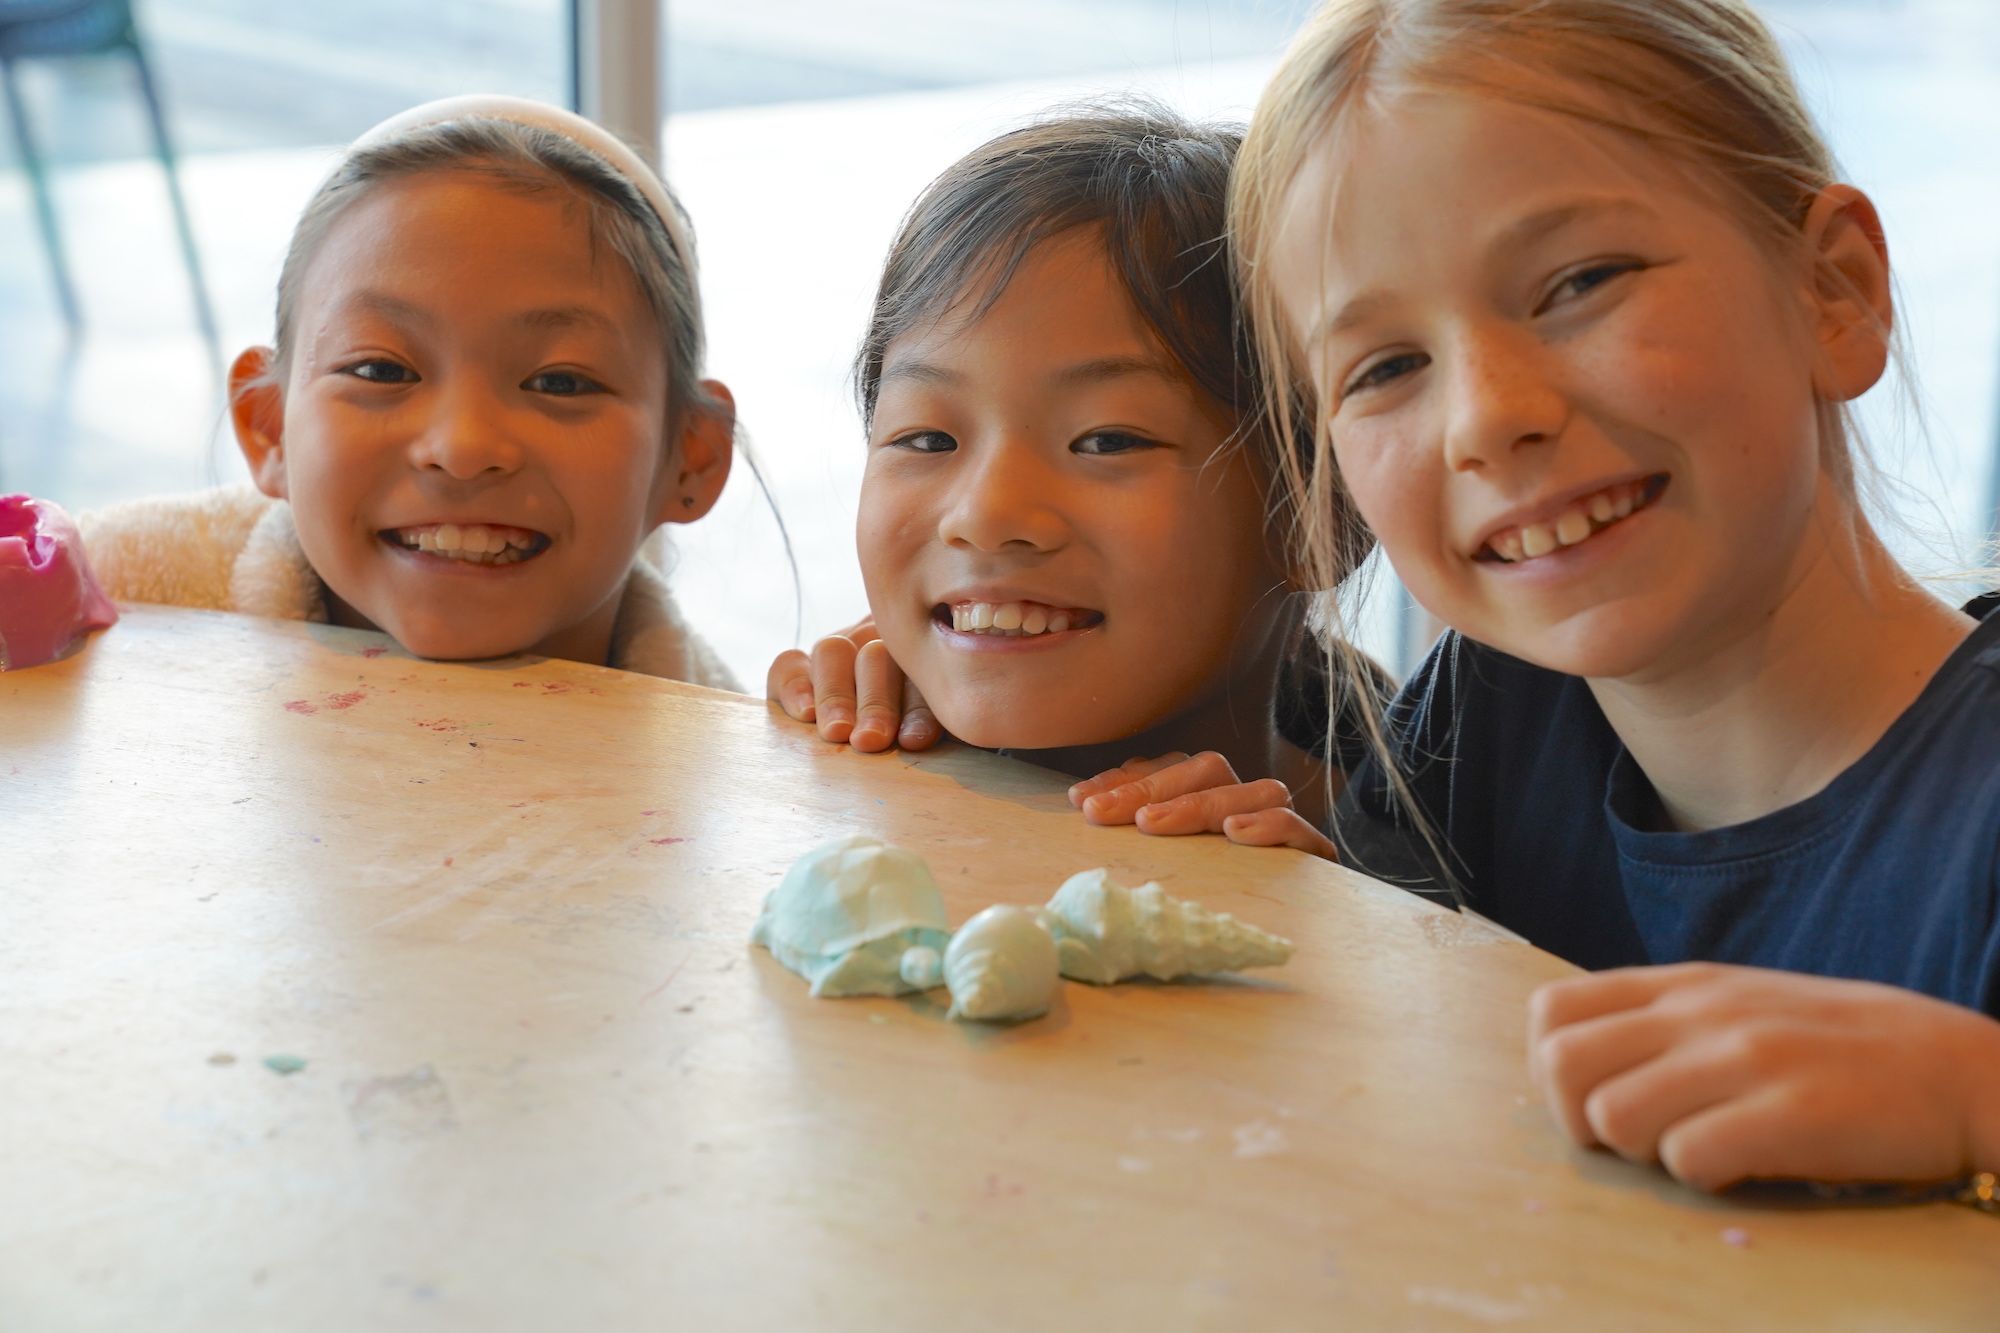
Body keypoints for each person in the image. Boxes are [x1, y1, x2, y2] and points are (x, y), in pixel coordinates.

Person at [1227, 0, 2000, 1193]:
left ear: (1832, 293)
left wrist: (1975, 1102)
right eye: (1385, 367)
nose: (1487, 415)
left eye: (1578, 282)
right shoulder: (1480, 721)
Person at [767, 105, 1388, 857]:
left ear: (1321, 516)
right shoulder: (833, 771)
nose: (986, 515)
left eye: (1105, 440)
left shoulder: (1426, 865)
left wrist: (1327, 918)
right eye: (928, 437)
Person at [77, 95, 739, 687]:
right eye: (381, 370)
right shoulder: (92, 602)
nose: (463, 446)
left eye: (559, 382)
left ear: (691, 458)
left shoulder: (749, 779)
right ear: (269, 426)